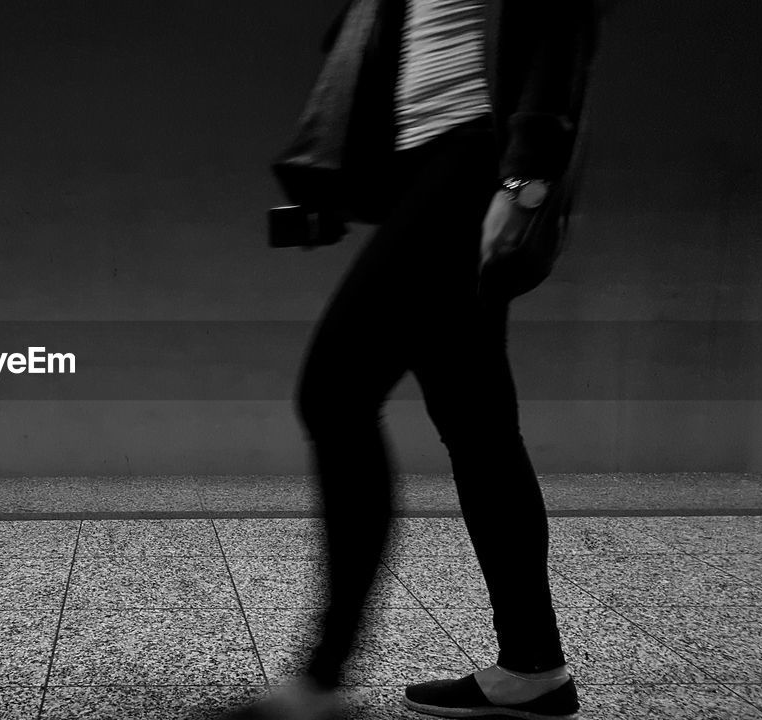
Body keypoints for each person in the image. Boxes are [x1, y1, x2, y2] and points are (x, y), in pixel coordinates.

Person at [231, 0, 598, 718]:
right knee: (479, 425)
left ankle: (321, 680)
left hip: (474, 157)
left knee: (334, 394)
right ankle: (532, 666)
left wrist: (527, 175)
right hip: (426, 168)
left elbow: (560, 21)